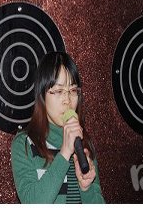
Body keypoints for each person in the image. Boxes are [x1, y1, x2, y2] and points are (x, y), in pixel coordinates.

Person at [11, 52, 104, 203]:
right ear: (42, 95)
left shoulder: (84, 143)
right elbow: (32, 201)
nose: (67, 100)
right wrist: (64, 153)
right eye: (59, 91)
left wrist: (86, 188)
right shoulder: (25, 144)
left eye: (73, 91)